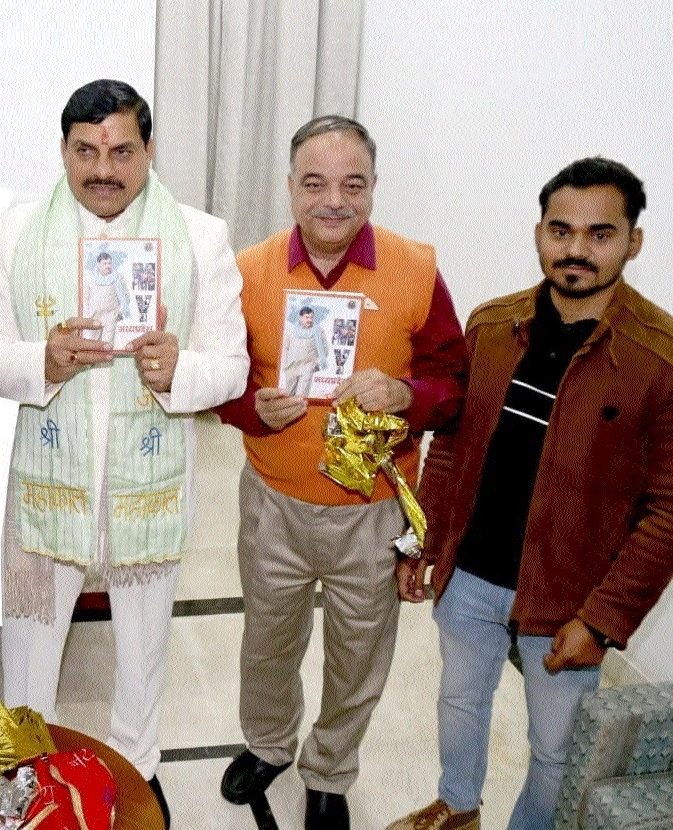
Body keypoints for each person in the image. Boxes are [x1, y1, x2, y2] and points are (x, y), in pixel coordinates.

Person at [0, 79, 248, 825]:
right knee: (28, 644)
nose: (104, 168)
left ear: (149, 149)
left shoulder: (199, 236)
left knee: (145, 651)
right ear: (62, 150)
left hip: (149, 486)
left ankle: (140, 765)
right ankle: (23, 772)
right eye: (86, 151)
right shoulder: (17, 232)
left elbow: (232, 367)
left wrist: (175, 372)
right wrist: (48, 362)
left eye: (122, 150)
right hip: (46, 484)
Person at [388, 158, 673, 830]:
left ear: (633, 241)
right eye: (561, 230)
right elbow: (451, 446)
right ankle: (458, 808)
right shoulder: (492, 327)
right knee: (460, 703)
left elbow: (667, 513)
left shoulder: (657, 360)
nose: (577, 249)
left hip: (570, 601)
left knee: (553, 750)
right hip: (470, 580)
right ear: (539, 233)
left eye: (600, 234)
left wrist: (602, 621)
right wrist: (419, 544)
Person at [214, 116, 468, 830]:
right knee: (268, 641)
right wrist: (248, 409)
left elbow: (455, 381)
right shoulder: (248, 271)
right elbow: (223, 382)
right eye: (316, 183)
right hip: (275, 503)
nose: (334, 201)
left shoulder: (415, 268)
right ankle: (268, 745)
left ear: (373, 190)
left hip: (373, 510)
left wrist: (407, 394)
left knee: (360, 653)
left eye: (352, 184)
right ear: (290, 187)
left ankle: (329, 771)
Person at [82, 248, 130, 344]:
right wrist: (87, 315)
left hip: (110, 316)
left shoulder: (118, 277)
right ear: (98, 264)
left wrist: (119, 310)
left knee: (107, 345)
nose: (108, 266)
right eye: (105, 263)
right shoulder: (90, 278)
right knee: (91, 344)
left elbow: (126, 295)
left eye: (109, 263)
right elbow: (85, 298)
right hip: (94, 316)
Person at [282, 306, 328, 397]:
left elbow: (325, 349)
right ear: (300, 317)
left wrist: (316, 363)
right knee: (288, 395)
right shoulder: (291, 330)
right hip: (291, 367)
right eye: (307, 317)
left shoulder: (318, 331)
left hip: (307, 367)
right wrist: (285, 364)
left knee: (301, 396)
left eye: (311, 317)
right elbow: (285, 348)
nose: (309, 320)